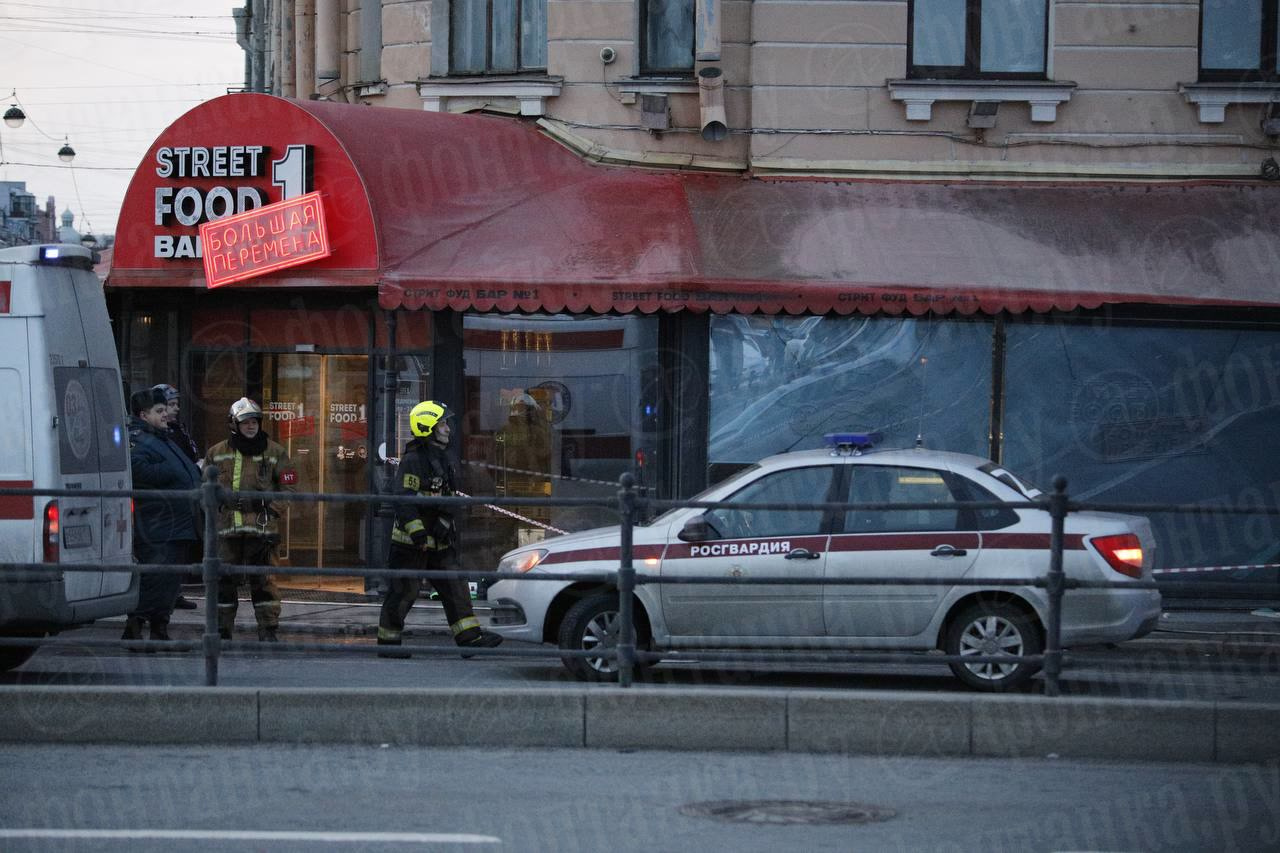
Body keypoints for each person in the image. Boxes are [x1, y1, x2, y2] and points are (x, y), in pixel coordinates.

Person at [378, 400, 502, 657]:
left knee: (455, 586)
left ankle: (469, 638)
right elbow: (404, 500)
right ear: (427, 428)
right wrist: (419, 534)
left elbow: (448, 497)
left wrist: (445, 523)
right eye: (442, 423)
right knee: (404, 592)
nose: (448, 428)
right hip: (412, 544)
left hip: (439, 540)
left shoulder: (442, 459)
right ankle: (389, 644)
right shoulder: (413, 461)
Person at [203, 397, 298, 642]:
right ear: (234, 424)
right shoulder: (216, 452)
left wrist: (273, 510)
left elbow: (289, 488)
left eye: (255, 421)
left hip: (262, 528)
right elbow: (205, 491)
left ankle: (268, 630)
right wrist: (213, 513)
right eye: (245, 422)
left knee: (263, 581)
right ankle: (222, 630)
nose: (251, 426)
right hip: (227, 530)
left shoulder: (276, 452)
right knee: (223, 582)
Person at [122, 388, 202, 645]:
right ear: (143, 414)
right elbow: (138, 471)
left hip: (176, 523)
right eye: (159, 411)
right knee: (155, 579)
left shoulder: (161, 436)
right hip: (158, 525)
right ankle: (134, 630)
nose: (166, 414)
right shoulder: (138, 438)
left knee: (169, 581)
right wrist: (175, 471)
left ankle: (159, 629)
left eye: (165, 409)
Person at [152, 383, 200, 610]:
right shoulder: (154, 436)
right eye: (169, 405)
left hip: (181, 500)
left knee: (179, 550)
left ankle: (175, 592)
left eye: (175, 405)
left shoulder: (179, 430)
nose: (174, 410)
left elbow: (192, 454)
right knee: (162, 553)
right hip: (163, 504)